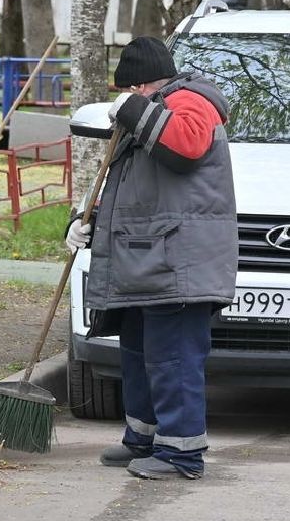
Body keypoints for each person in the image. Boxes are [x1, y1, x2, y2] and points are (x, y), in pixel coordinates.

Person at [67, 36, 237, 480]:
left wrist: (132, 110)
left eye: (129, 92)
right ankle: (143, 438)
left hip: (178, 263)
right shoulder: (157, 107)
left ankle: (181, 454)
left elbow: (184, 148)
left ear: (140, 86)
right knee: (141, 354)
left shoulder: (192, 100)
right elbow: (140, 190)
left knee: (173, 359)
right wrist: (90, 220)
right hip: (152, 260)